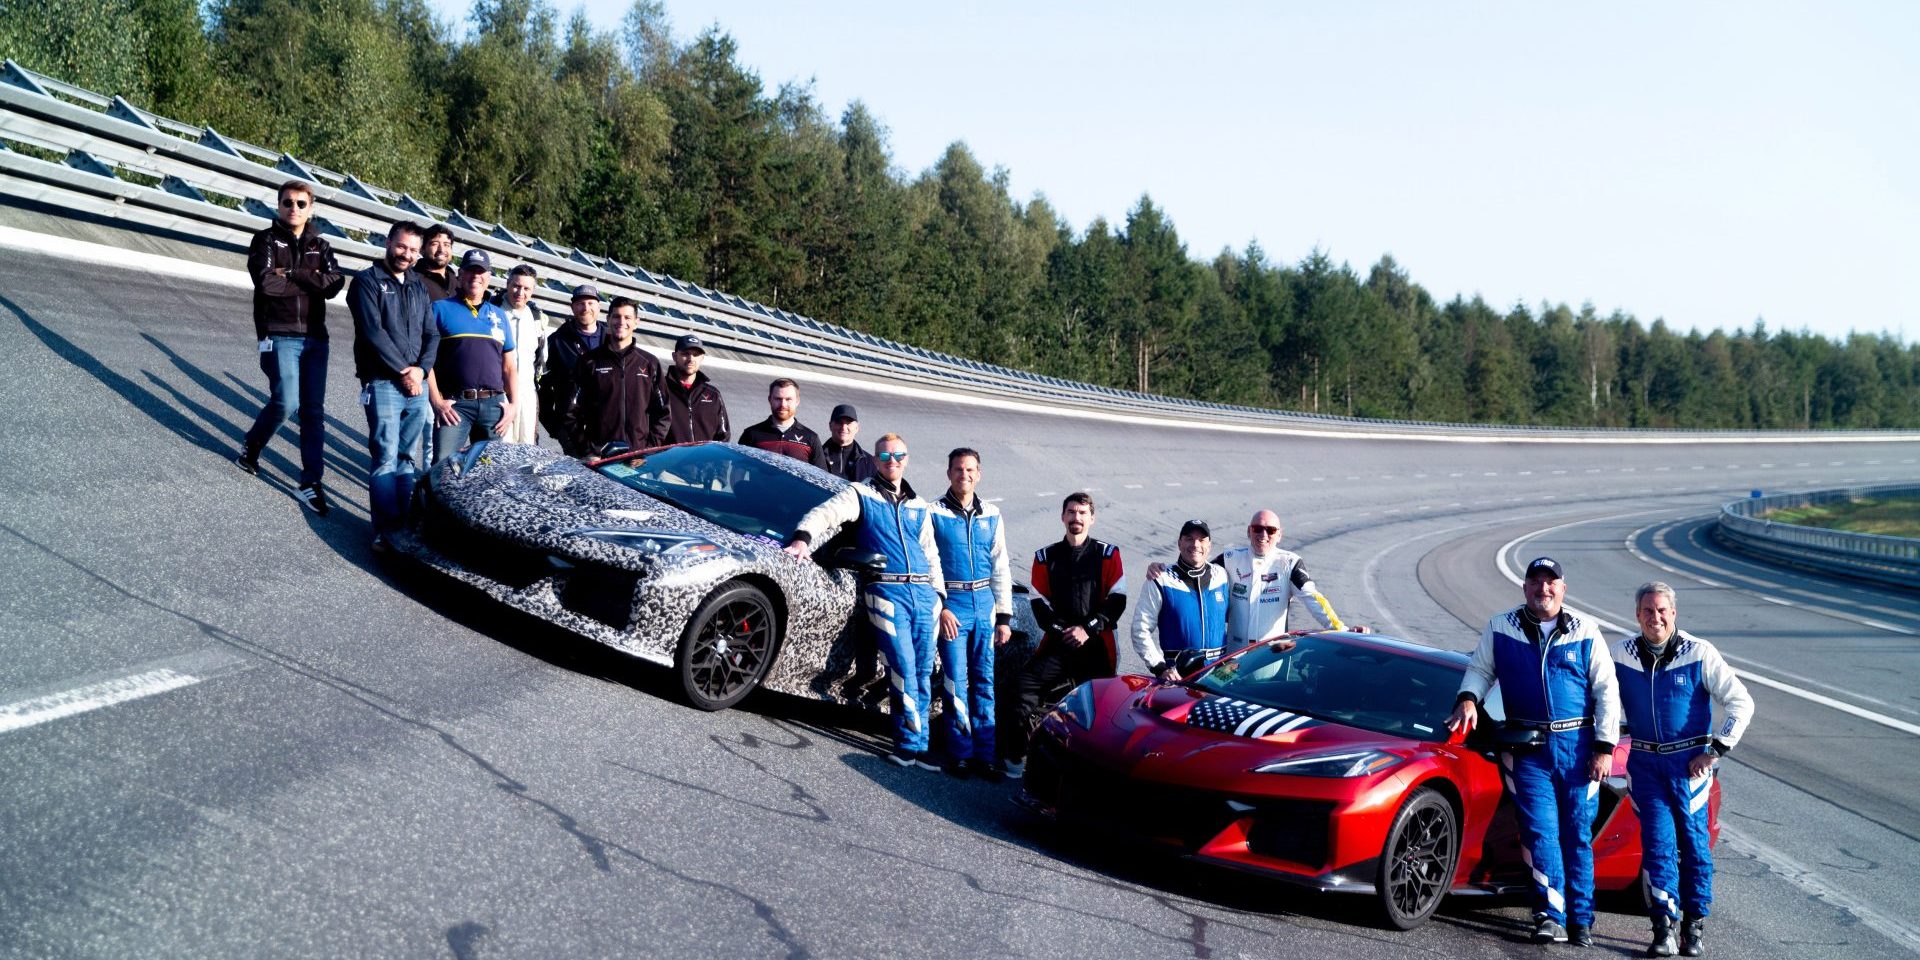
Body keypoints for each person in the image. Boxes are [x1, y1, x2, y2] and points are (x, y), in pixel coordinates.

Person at [1446, 557, 1620, 947]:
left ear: (1563, 588)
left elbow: (1607, 691)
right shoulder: (1501, 627)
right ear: (1525, 587)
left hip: (1578, 749)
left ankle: (1581, 918)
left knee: (1575, 834)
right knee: (1540, 833)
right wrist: (1469, 698)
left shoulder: (1585, 630)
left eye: (1551, 582)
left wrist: (1604, 747)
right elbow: (1479, 669)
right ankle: (1549, 916)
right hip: (1528, 749)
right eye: (1536, 581)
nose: (1543, 588)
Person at [784, 434, 946, 769]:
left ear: (907, 458)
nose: (892, 460)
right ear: (875, 459)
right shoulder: (861, 493)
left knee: (922, 669)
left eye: (898, 454)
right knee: (901, 666)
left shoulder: (919, 506)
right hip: (885, 590)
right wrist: (802, 539)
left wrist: (939, 597)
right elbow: (825, 514)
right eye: (885, 455)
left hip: (924, 596)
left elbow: (932, 557)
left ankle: (921, 743)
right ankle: (906, 743)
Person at [1613, 582, 1753, 958]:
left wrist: (1715, 750)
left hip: (1689, 767)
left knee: (1694, 848)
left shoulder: (1699, 652)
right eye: (1647, 610)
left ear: (1673, 613)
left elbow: (1741, 702)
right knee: (1657, 847)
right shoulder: (1621, 654)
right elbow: (1600, 697)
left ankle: (1694, 925)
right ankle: (1663, 928)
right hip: (1644, 764)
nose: (1654, 617)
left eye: (1661, 610)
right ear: (1637, 614)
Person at [235, 178, 345, 516]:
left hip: (316, 337)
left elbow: (334, 285)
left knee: (312, 412)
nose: (293, 208)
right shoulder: (265, 240)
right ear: (279, 205)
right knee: (285, 401)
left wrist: (292, 273)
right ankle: (252, 446)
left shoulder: (321, 246)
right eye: (287, 203)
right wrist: (308, 280)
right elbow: (267, 283)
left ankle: (311, 482)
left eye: (300, 204)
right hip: (278, 333)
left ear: (310, 208)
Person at [1003, 492, 1127, 779]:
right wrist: (1065, 630)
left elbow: (1117, 600)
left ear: (1092, 518)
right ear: (1062, 517)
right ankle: (1016, 757)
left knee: (1099, 711)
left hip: (1097, 646)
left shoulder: (1108, 554)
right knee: (1023, 686)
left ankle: (1094, 772)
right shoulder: (1045, 557)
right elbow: (1039, 604)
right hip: (1058, 645)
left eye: (1082, 513)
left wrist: (1088, 629)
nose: (1076, 518)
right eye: (1071, 512)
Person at [349, 221, 439, 553]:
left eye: (414, 250)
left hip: (416, 383)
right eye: (402, 247)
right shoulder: (366, 282)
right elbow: (373, 333)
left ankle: (406, 527)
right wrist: (405, 370)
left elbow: (433, 334)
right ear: (389, 243)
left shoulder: (418, 285)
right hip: (383, 381)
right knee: (385, 456)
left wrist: (421, 370)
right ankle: (385, 531)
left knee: (406, 458)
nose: (407, 255)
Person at [928, 447, 1013, 780]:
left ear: (979, 474)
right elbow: (927, 565)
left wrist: (1003, 618)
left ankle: (986, 755)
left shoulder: (991, 514)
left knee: (984, 682)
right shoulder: (934, 512)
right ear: (949, 472)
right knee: (955, 682)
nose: (965, 475)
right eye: (959, 469)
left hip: (984, 604)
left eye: (971, 470)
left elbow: (1001, 566)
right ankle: (961, 753)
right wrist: (942, 607)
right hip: (954, 605)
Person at [1147, 509, 1345, 650]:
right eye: (1258, 529)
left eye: (1271, 530)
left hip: (1272, 655)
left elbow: (1314, 598)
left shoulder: (1290, 563)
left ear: (1280, 535)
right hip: (1233, 657)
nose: (1263, 535)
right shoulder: (1231, 558)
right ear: (1249, 531)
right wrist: (1162, 568)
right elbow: (1195, 568)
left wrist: (1341, 630)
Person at [426, 249, 517, 467]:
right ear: (460, 274)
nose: (475, 277)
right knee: (443, 467)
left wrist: (514, 405)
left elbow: (509, 367)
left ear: (488, 277)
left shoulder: (499, 315)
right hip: (455, 406)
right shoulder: (439, 309)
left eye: (481, 272)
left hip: (493, 405)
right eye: (470, 271)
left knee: (488, 470)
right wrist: (436, 401)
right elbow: (425, 360)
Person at [565, 297, 666, 455]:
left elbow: (663, 413)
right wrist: (588, 450)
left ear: (636, 322)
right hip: (600, 458)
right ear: (608, 319)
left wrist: (647, 451)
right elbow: (570, 411)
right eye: (616, 316)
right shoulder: (589, 362)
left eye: (627, 318)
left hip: (638, 458)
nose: (621, 322)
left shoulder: (650, 363)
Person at [1132, 520, 1231, 681]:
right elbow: (1139, 629)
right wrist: (1160, 667)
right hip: (1179, 676)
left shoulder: (1221, 575)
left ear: (1210, 545)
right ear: (1179, 543)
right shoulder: (1160, 579)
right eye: (1189, 539)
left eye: (1201, 540)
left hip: (1220, 676)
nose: (1196, 544)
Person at [538, 285, 605, 453]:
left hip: (609, 426)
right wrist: (553, 425)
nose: (586, 308)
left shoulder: (613, 339)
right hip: (573, 428)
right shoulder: (557, 341)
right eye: (580, 304)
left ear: (599, 307)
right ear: (572, 307)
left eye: (591, 303)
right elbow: (543, 385)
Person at [492, 264, 546, 444]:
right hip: (498, 390)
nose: (520, 292)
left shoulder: (537, 317)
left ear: (533, 291)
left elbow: (539, 357)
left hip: (526, 392)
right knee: (501, 447)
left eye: (526, 288)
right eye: (516, 285)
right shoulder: (493, 310)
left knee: (527, 446)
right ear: (507, 284)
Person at [739, 378, 829, 467]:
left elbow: (821, 478)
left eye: (788, 399)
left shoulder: (811, 438)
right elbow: (738, 470)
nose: (783, 404)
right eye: (778, 399)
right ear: (769, 400)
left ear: (797, 401)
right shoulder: (751, 435)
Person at [659, 334, 729, 444]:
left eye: (696, 355)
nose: (691, 359)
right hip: (669, 460)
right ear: (674, 356)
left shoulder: (713, 394)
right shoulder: (659, 389)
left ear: (702, 358)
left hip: (704, 460)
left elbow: (723, 435)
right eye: (685, 354)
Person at [822, 404, 875, 482]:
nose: (843, 427)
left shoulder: (869, 462)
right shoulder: (817, 456)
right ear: (830, 426)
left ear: (857, 428)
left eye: (848, 423)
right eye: (839, 422)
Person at [416, 224, 456, 301]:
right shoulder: (413, 280)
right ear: (422, 249)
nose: (441, 249)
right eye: (435, 244)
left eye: (446, 245)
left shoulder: (457, 282)